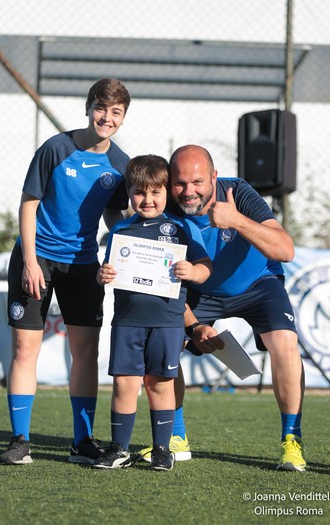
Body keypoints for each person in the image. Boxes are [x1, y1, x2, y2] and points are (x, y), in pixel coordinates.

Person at [141, 144, 306, 472]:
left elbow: (285, 250)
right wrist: (193, 327)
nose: (188, 192)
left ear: (214, 177)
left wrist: (237, 220)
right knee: (159, 341)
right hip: (200, 292)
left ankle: (292, 440)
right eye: (180, 183)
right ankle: (176, 439)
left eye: (198, 182)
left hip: (258, 284)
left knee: (285, 343)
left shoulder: (238, 192)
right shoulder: (163, 209)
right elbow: (164, 286)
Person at [0, 78, 131, 466]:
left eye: (116, 113)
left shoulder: (121, 164)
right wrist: (29, 261)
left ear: (124, 117)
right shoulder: (56, 148)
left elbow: (115, 214)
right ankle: (20, 439)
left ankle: (82, 441)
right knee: (25, 348)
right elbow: (28, 204)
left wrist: (126, 249)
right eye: (101, 109)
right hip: (36, 258)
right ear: (88, 107)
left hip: (83, 265)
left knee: (85, 352)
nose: (106, 118)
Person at [92, 154, 212, 471]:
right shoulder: (120, 231)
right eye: (140, 192)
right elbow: (109, 270)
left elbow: (205, 269)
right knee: (125, 384)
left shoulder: (181, 228)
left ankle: (162, 449)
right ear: (129, 193)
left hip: (167, 323)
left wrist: (192, 270)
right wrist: (102, 275)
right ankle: (119, 448)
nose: (147, 199)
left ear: (166, 192)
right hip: (128, 322)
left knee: (159, 384)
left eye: (155, 192)